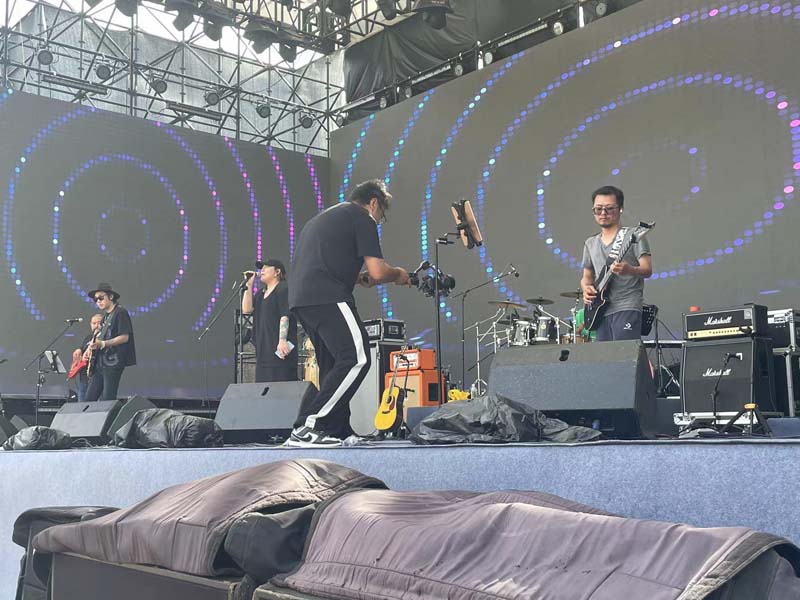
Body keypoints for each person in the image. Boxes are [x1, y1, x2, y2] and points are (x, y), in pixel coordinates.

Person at [286, 179, 411, 447]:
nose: (379, 220)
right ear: (374, 203)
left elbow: (325, 262)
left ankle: (337, 430)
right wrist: (398, 274)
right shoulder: (362, 218)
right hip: (327, 296)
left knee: (333, 364)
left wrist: (358, 278)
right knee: (357, 356)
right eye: (382, 214)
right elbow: (379, 271)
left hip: (302, 299)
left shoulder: (326, 218)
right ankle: (310, 425)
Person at [580, 185, 652, 342]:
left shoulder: (634, 235)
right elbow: (587, 276)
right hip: (600, 310)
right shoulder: (590, 243)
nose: (603, 213)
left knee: (625, 353)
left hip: (627, 305)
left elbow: (647, 270)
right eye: (598, 209)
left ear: (620, 209)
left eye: (609, 209)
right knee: (605, 356)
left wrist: (630, 270)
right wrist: (586, 288)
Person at [241, 259, 298, 383]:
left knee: (281, 387)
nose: (262, 270)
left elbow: (285, 315)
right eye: (261, 268)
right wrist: (249, 286)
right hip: (263, 352)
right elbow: (247, 309)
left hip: (280, 351)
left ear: (277, 272)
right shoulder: (261, 294)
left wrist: (282, 340)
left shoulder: (283, 288)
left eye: (266, 267)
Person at [84, 283, 136, 401]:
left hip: (113, 362)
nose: (98, 301)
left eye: (101, 298)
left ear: (111, 297)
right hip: (100, 363)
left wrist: (103, 344)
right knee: (89, 398)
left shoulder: (120, 313)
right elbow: (99, 336)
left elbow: (125, 337)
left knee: (108, 398)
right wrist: (89, 348)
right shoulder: (105, 317)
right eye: (96, 299)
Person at [71, 313, 103, 401]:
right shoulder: (88, 337)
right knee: (82, 403)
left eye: (99, 323)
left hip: (97, 375)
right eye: (94, 323)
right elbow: (82, 349)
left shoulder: (105, 336)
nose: (96, 325)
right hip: (84, 377)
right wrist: (79, 350)